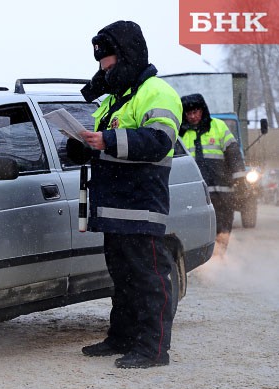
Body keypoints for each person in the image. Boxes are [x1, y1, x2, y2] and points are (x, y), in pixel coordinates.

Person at [67, 20, 182, 368]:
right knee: (123, 279)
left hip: (141, 207)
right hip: (114, 207)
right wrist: (81, 147)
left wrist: (109, 140)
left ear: (126, 56)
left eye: (108, 61)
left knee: (150, 281)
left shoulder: (157, 92)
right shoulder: (115, 101)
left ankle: (153, 349)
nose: (103, 69)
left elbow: (161, 141)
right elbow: (101, 146)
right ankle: (121, 338)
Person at [179, 93, 246, 257]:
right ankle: (203, 262)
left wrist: (240, 180)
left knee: (223, 228)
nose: (193, 116)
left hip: (222, 192)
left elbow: (234, 155)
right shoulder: (180, 134)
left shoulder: (219, 127)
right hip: (195, 195)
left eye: (196, 111)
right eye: (189, 113)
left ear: (203, 110)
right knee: (197, 228)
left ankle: (219, 259)